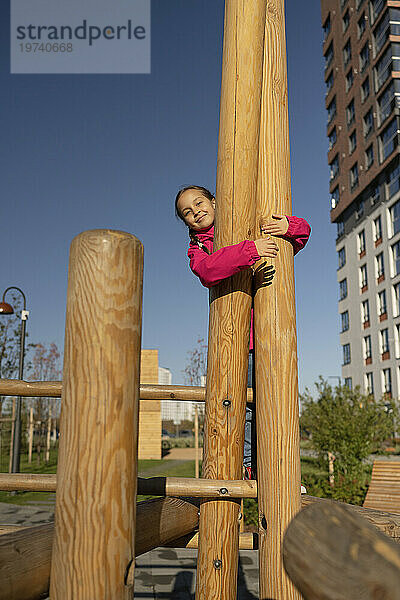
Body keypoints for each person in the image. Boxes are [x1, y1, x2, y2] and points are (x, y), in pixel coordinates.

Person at [175, 185, 311, 480]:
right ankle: (250, 466)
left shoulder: (248, 222)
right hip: (239, 341)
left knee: (279, 401)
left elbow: (301, 235)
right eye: (187, 212)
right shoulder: (199, 248)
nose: (196, 211)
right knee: (246, 405)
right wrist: (250, 249)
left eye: (199, 203)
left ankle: (280, 468)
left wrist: (288, 226)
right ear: (186, 223)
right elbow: (209, 271)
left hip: (273, 335)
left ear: (214, 201)